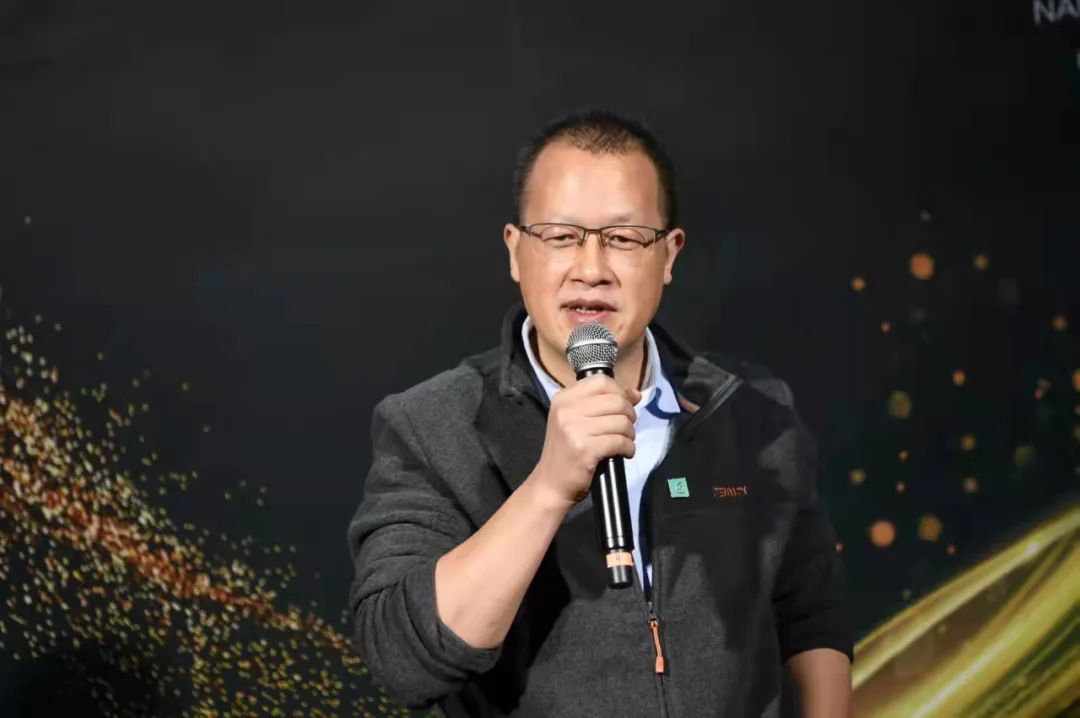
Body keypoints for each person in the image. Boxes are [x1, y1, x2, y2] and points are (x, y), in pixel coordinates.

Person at [347, 109, 853, 717]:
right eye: (561, 236)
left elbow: (810, 615)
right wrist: (548, 488)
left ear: (669, 255)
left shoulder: (754, 412)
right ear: (516, 251)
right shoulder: (429, 426)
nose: (591, 269)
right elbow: (402, 661)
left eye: (624, 238)